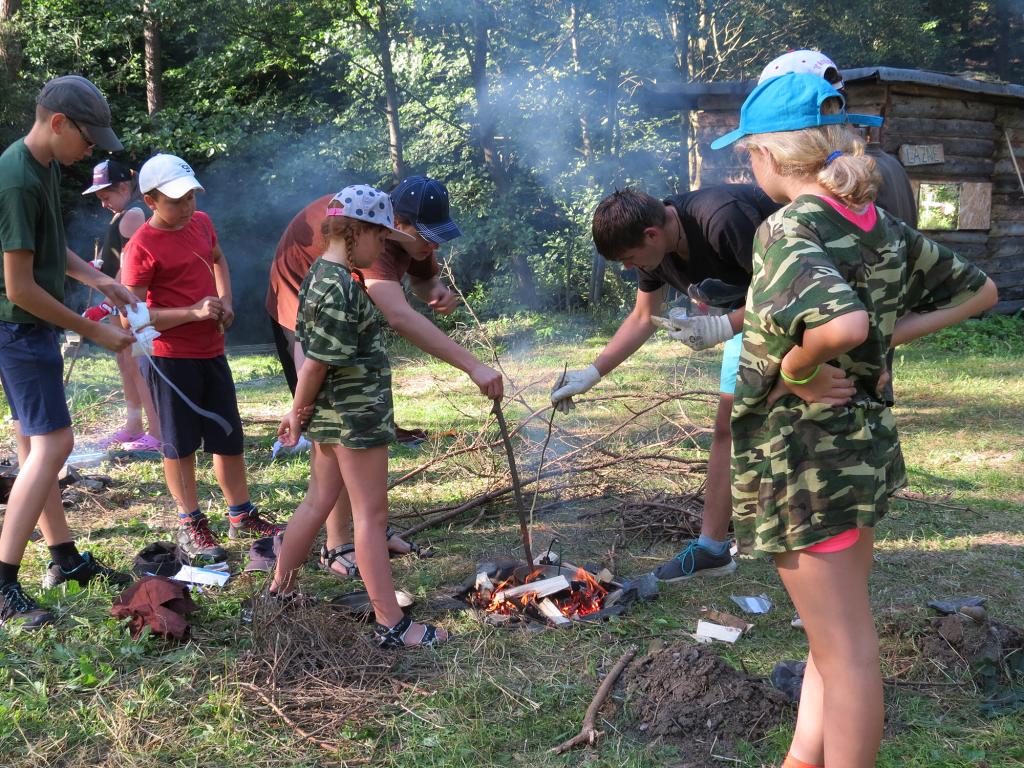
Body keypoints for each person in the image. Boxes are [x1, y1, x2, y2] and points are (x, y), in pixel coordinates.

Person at [712, 72, 997, 768]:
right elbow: (981, 290)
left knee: (848, 655)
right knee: (832, 640)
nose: (749, 168)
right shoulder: (875, 223)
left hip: (805, 465)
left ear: (772, 157)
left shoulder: (787, 228)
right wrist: (885, 337)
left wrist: (799, 367)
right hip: (860, 455)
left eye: (747, 154)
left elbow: (840, 322)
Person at [266, 176, 502, 578]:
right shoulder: (368, 241)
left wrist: (435, 289)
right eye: (427, 237)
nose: (434, 246)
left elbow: (422, 278)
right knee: (341, 434)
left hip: (346, 338)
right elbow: (395, 314)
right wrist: (473, 365)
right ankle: (341, 544)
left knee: (348, 439)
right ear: (397, 226)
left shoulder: (400, 235)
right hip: (301, 314)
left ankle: (343, 546)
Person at [551, 184, 780, 581]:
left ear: (652, 235)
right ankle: (712, 549)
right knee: (728, 426)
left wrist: (723, 325)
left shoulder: (722, 219)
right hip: (750, 322)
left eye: (628, 258)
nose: (628, 267)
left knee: (791, 427)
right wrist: (592, 373)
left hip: (807, 316)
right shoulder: (651, 248)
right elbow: (644, 317)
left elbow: (783, 294)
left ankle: (817, 556)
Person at [273, 185, 447, 648]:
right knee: (370, 516)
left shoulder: (321, 275)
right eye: (379, 237)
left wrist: (306, 413)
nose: (381, 248)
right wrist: (296, 412)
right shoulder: (337, 289)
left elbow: (311, 354)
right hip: (355, 417)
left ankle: (280, 592)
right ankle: (393, 624)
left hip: (334, 416)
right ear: (357, 233)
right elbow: (314, 363)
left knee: (316, 503)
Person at [0, 75, 137, 628]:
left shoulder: (44, 165)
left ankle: (63, 560)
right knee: (56, 442)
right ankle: (3, 584)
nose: (92, 151)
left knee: (37, 443)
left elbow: (50, 250)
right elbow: (20, 286)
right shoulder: (16, 181)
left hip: (29, 328)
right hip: (18, 327)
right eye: (88, 138)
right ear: (58, 123)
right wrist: (95, 330)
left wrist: (100, 281)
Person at [121, 153, 282, 562]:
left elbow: (218, 258)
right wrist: (191, 313)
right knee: (180, 444)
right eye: (177, 200)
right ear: (152, 200)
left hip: (211, 350)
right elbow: (130, 319)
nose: (187, 206)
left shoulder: (201, 223)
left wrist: (225, 300)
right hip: (168, 358)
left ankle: (241, 514)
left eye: (191, 196)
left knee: (228, 436)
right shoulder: (140, 247)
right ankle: (190, 521)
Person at [82, 159, 161, 451]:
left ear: (125, 187)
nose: (103, 203)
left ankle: (157, 430)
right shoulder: (120, 215)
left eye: (106, 196)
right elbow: (117, 257)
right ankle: (133, 426)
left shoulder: (133, 214)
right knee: (126, 364)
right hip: (118, 302)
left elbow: (132, 262)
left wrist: (106, 302)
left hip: (130, 302)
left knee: (141, 365)